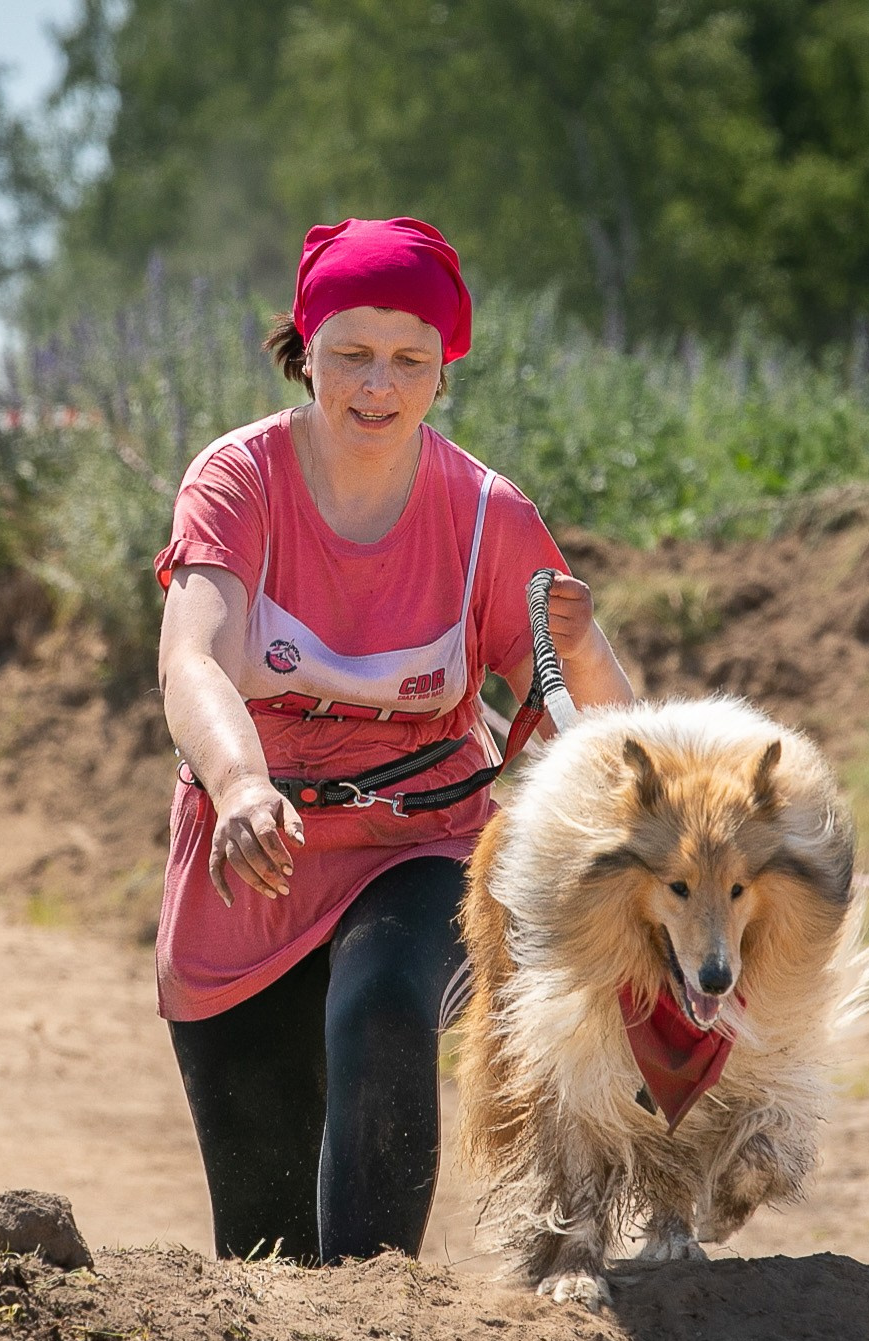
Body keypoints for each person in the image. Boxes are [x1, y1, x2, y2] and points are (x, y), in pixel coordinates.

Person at [153, 216, 634, 1264]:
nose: (378, 385)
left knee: (381, 997)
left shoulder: (486, 519)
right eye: (352, 355)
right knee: (262, 1251)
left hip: (426, 848)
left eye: (410, 360)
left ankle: (382, 1318)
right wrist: (238, 784)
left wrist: (588, 674)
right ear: (305, 348)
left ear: (444, 370)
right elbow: (191, 657)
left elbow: (596, 705)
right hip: (253, 849)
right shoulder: (237, 483)